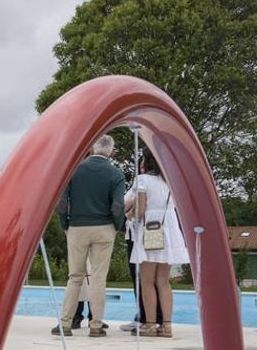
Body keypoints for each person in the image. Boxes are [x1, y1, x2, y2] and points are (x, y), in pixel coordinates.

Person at [54, 134, 126, 337]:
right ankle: (95, 325)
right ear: (111, 151)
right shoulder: (116, 174)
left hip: (77, 227)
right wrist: (116, 227)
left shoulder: (74, 170)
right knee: (98, 279)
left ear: (93, 148)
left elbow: (61, 203)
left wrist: (64, 224)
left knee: (74, 277)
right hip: (104, 228)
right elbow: (118, 206)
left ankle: (66, 323)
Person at [127, 147, 187, 337]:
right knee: (163, 281)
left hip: (151, 231)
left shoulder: (142, 180)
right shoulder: (170, 181)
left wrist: (129, 215)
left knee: (146, 280)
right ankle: (167, 325)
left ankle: (150, 324)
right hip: (169, 229)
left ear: (147, 161)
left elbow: (141, 208)